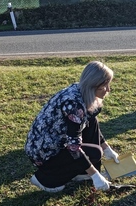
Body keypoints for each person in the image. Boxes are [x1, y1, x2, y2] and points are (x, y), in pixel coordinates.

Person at [24, 61, 120, 193]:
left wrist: (107, 149)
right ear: (92, 86)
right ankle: (44, 179)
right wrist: (95, 176)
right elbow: (73, 147)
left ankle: (83, 172)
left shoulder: (82, 92)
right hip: (44, 152)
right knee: (94, 152)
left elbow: (89, 121)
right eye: (104, 86)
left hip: (59, 139)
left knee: (92, 119)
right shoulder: (74, 105)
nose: (108, 90)